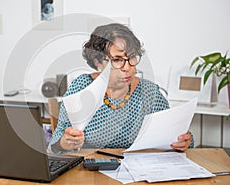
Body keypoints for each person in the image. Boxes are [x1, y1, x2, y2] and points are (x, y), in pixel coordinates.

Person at [49, 23, 194, 153]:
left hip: (137, 172)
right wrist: (64, 143)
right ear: (98, 62)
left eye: (131, 58)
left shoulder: (149, 92)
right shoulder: (82, 87)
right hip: (91, 170)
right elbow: (55, 144)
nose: (127, 68)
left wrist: (184, 141)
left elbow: (174, 134)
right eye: (117, 60)